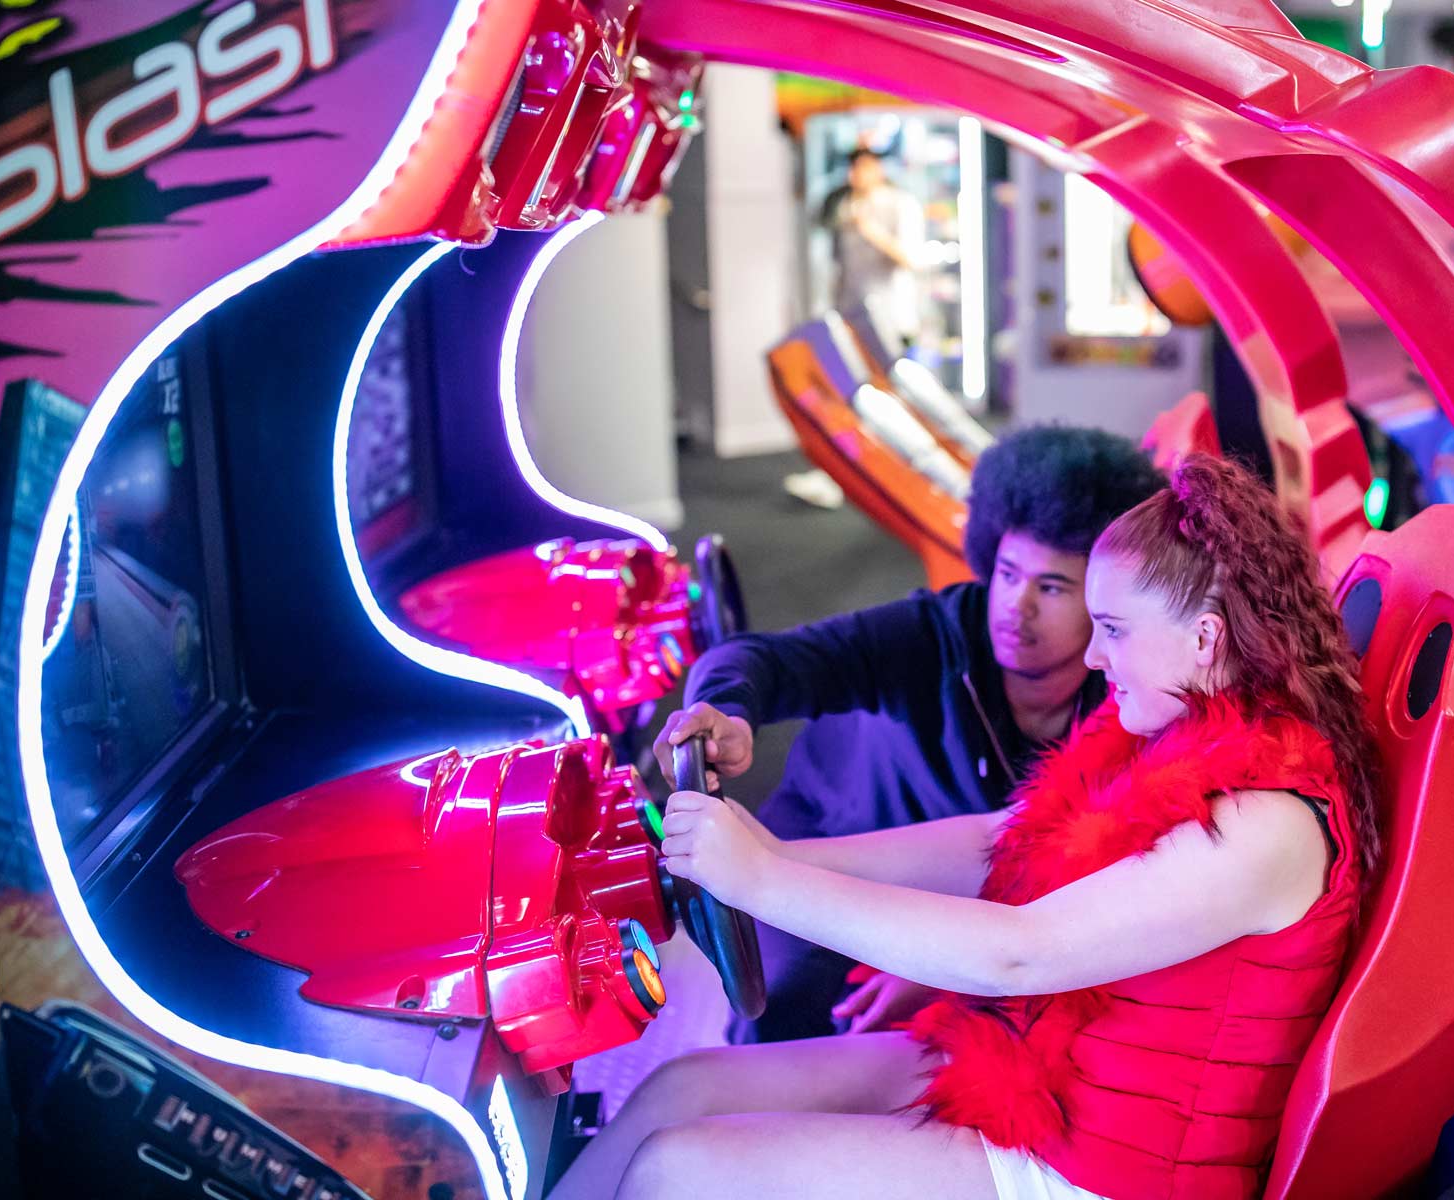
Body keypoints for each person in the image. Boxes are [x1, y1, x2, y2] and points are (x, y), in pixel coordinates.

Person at [560, 455, 1381, 1200]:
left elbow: (1018, 951)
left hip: (1103, 1173)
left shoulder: (1268, 824)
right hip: (1036, 1081)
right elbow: (1000, 841)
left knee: (679, 1171)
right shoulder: (1168, 733)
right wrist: (781, 853)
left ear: (1204, 638)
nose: (1094, 658)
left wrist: (764, 882)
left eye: (1114, 630)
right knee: (684, 1089)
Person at [656, 424, 1166, 1042]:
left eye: (1052, 587)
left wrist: (937, 972)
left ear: (1104, 599)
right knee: (788, 1009)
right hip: (829, 848)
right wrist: (726, 712)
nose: (1016, 605)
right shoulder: (933, 635)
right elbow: (759, 660)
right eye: (1007, 574)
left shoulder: (1122, 688)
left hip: (972, 903)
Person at [825, 148, 924, 339]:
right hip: (851, 316)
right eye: (852, 169)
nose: (854, 175)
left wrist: (872, 232)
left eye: (861, 168)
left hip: (892, 319)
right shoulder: (847, 206)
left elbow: (912, 260)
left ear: (878, 169)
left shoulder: (901, 204)